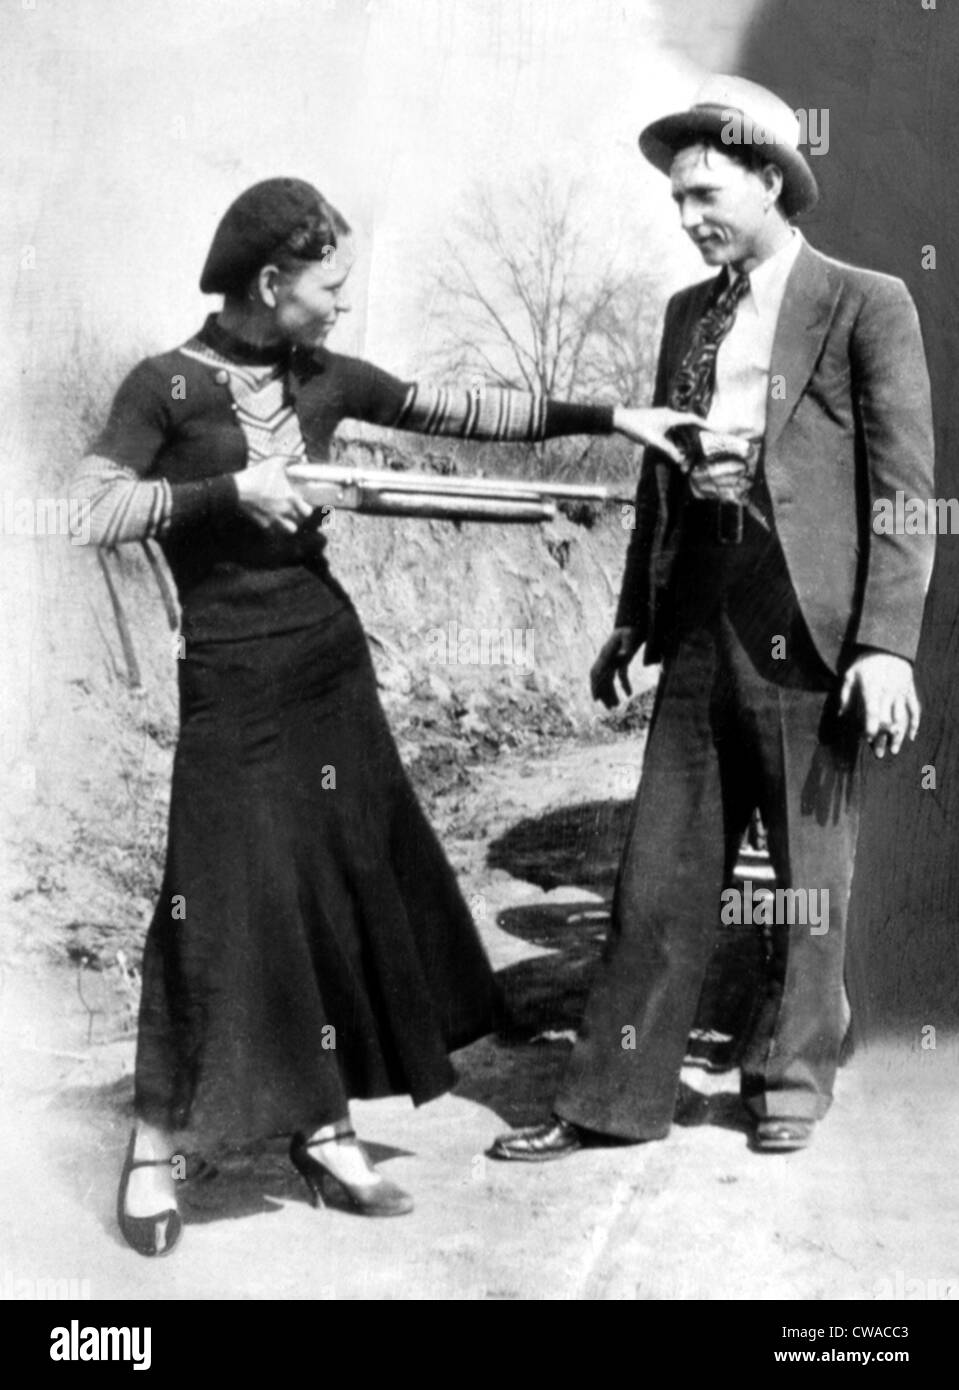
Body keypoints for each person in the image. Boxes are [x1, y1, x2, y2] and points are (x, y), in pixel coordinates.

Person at [72, 177, 701, 1254]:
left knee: (339, 884)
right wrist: (228, 493)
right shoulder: (164, 386)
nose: (343, 306)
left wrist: (615, 418)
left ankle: (321, 1123)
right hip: (228, 678)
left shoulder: (323, 376)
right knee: (213, 901)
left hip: (327, 668)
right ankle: (153, 1144)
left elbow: (458, 408)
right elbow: (83, 508)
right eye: (331, 286)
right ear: (270, 282)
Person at [489, 75, 935, 1163]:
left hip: (806, 614)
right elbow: (659, 479)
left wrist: (882, 643)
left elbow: (903, 487)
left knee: (804, 870)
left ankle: (787, 1076)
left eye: (701, 193)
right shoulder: (685, 316)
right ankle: (611, 1097)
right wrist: (629, 616)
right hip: (697, 614)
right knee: (659, 874)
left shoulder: (863, 301)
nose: (685, 218)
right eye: (674, 202)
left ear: (769, 178)